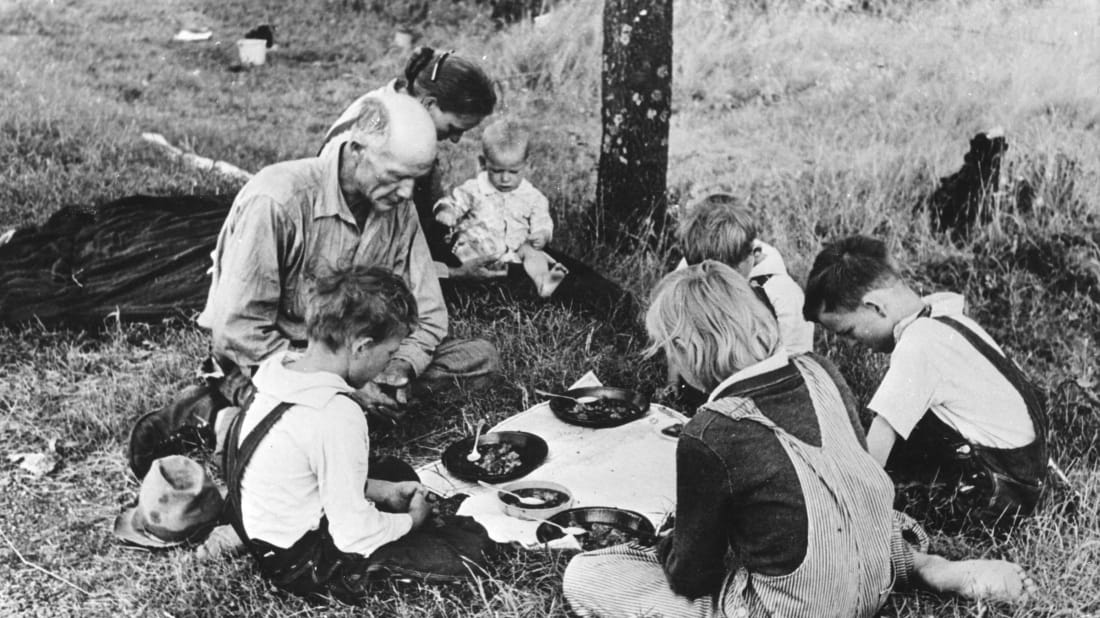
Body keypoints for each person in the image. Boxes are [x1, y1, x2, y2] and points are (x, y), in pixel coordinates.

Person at [562, 261, 1034, 618]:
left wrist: (670, 542)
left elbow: (692, 575)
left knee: (588, 575)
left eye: (668, 350)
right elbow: (858, 473)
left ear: (687, 348)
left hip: (797, 606)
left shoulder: (709, 431)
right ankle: (924, 564)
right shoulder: (819, 370)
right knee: (843, 509)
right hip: (872, 576)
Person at [128, 92, 499, 479]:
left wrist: (400, 368)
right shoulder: (278, 199)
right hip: (284, 364)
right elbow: (238, 332)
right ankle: (216, 411)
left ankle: (274, 416)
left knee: (479, 359)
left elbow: (429, 313)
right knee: (295, 452)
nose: (408, 194)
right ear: (357, 150)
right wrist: (339, 388)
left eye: (414, 181)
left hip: (363, 359)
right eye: (396, 177)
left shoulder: (398, 207)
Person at [223, 264, 497, 602]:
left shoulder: (281, 367)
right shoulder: (335, 413)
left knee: (394, 472)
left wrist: (383, 490)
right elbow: (353, 536)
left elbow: (307, 467)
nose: (388, 364)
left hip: (265, 528)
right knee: (469, 550)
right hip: (299, 562)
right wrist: (410, 522)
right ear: (362, 346)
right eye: (390, 353)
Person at [322, 47, 636, 327]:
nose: (455, 139)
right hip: (383, 272)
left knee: (526, 252)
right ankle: (612, 304)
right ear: (430, 104)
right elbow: (372, 265)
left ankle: (614, 300)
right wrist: (454, 274)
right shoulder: (372, 150)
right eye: (454, 128)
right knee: (509, 271)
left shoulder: (398, 103)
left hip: (423, 243)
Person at [802, 235, 1048, 529]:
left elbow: (876, 451)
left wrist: (834, 511)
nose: (853, 345)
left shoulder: (919, 344)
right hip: (1026, 472)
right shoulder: (944, 318)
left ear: (876, 306)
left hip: (1000, 494)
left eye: (849, 332)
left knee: (890, 495)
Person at [433, 118, 567, 297]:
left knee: (533, 253)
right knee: (463, 248)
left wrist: (541, 234)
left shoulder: (532, 196)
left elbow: (542, 219)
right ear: (483, 163)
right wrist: (447, 212)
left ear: (526, 165)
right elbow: (455, 201)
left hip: (514, 253)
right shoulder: (475, 188)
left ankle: (544, 283)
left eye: (513, 172)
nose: (505, 179)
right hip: (477, 249)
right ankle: (480, 286)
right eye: (496, 171)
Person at [677, 192, 814, 354]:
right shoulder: (694, 262)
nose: (716, 285)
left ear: (754, 254)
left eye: (728, 278)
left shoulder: (785, 297)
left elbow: (796, 359)